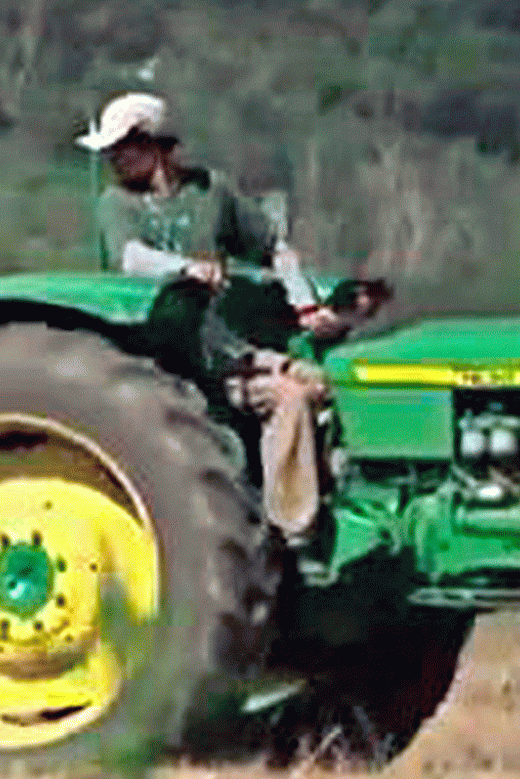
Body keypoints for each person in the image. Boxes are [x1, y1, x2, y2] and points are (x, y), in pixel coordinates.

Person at [78, 92, 378, 551]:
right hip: (172, 352)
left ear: (153, 144)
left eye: (122, 148)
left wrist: (306, 306)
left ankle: (343, 495)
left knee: (328, 382)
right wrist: (186, 269)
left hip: (227, 345)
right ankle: (291, 530)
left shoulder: (210, 191)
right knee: (290, 396)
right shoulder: (116, 203)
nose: (114, 160)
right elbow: (130, 258)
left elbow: (274, 248)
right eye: (111, 151)